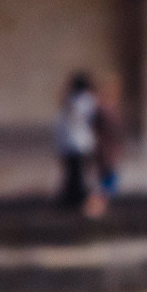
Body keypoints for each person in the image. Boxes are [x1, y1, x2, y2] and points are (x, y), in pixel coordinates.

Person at [56, 71, 100, 215]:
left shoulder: (70, 100)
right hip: (81, 143)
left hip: (68, 143)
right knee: (79, 174)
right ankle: (79, 200)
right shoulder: (87, 100)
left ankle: (72, 199)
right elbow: (92, 119)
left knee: (72, 173)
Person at [90, 71, 124, 219]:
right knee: (107, 181)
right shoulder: (104, 110)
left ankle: (98, 207)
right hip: (107, 150)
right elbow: (113, 130)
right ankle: (94, 207)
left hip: (109, 150)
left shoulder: (105, 109)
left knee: (109, 180)